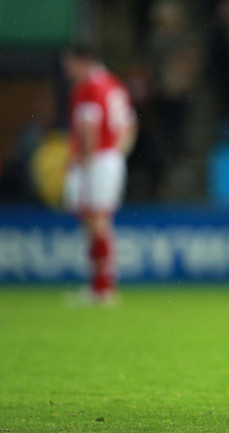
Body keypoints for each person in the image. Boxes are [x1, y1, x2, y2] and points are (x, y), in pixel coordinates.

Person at [62, 45, 138, 303]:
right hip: (111, 157)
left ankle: (102, 288)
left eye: (70, 63)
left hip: (94, 159)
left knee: (95, 221)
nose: (67, 69)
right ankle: (100, 286)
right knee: (98, 220)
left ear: (83, 61)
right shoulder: (113, 83)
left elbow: (88, 127)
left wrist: (84, 162)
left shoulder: (88, 86)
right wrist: (117, 155)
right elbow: (129, 125)